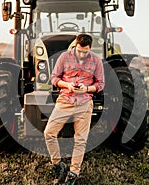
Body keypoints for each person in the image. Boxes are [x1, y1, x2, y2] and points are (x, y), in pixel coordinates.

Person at [44, 33, 105, 185]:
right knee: (49, 133)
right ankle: (58, 164)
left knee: (80, 140)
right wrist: (67, 85)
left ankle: (73, 173)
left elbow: (100, 84)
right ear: (75, 46)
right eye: (79, 51)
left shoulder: (96, 61)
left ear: (90, 48)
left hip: (84, 103)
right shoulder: (64, 57)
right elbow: (54, 78)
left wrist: (87, 88)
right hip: (65, 100)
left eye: (85, 52)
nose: (82, 54)